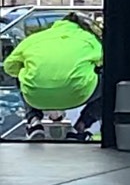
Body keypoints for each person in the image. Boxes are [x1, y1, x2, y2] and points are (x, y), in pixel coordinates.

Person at [2, 13, 103, 141]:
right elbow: (104, 61)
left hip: (35, 96)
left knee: (22, 73)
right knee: (108, 79)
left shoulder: (34, 39)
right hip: (79, 93)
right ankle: (80, 127)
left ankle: (34, 121)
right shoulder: (90, 39)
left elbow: (9, 66)